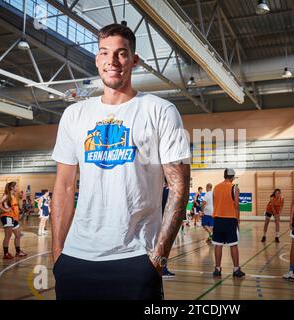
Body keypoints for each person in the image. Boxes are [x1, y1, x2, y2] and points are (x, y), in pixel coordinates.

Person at [51, 23, 190, 300]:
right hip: (75, 259)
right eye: (104, 53)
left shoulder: (160, 110)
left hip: (136, 259)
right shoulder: (74, 114)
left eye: (121, 53)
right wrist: (58, 254)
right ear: (97, 59)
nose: (112, 61)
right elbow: (64, 187)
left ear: (134, 60)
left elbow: (179, 186)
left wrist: (158, 258)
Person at [212, 169, 245, 278]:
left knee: (218, 245)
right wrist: (238, 222)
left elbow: (214, 203)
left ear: (224, 176)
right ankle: (236, 269)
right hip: (230, 219)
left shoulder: (216, 187)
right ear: (232, 177)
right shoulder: (234, 188)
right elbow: (236, 206)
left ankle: (217, 269)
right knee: (233, 245)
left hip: (217, 219)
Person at [0, 181, 27, 259]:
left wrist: (22, 196)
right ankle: (6, 253)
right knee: (8, 236)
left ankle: (18, 252)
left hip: (14, 218)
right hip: (7, 217)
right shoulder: (6, 195)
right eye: (16, 186)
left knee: (18, 235)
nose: (17, 187)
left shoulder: (13, 196)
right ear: (12, 188)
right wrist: (5, 210)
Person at [161, 179, 175, 279]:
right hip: (165, 222)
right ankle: (163, 269)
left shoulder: (157, 190)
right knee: (164, 247)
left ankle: (162, 268)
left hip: (157, 221)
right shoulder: (169, 191)